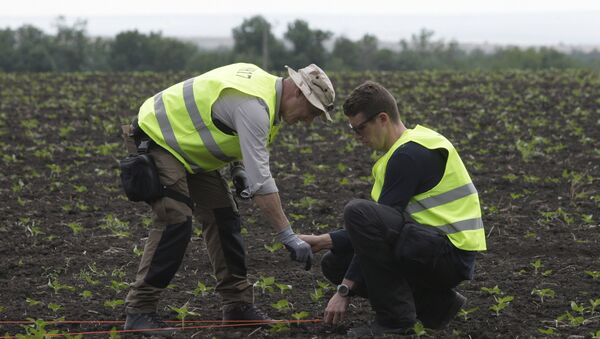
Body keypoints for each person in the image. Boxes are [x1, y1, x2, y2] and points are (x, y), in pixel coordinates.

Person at [120, 63, 335, 336]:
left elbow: (229, 130)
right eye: (313, 112)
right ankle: (139, 311)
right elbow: (263, 185)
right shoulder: (255, 105)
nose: (309, 121)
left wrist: (239, 169)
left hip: (188, 149)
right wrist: (288, 235)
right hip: (157, 137)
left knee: (224, 217)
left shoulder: (266, 96)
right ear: (299, 94)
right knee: (175, 219)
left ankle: (238, 307)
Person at [299, 81, 486, 336]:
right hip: (428, 247)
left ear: (383, 118)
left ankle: (394, 324)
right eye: (352, 130)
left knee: (358, 212)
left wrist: (344, 290)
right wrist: (326, 240)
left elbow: (374, 226)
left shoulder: (408, 155)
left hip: (448, 254)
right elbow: (379, 230)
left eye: (360, 128)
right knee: (335, 262)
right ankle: (434, 304)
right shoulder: (408, 147)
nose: (358, 137)